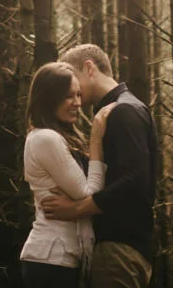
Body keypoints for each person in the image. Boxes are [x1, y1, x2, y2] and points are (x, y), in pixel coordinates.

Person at [42, 44, 159, 288]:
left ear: (89, 68)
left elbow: (134, 182)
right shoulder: (118, 110)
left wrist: (76, 209)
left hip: (118, 250)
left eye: (72, 78)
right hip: (124, 248)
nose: (70, 90)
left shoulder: (123, 111)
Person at [21, 61, 116, 287]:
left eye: (78, 95)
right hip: (51, 259)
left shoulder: (58, 136)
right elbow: (87, 193)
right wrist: (96, 139)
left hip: (61, 258)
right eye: (68, 96)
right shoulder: (46, 138)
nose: (78, 103)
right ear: (49, 99)